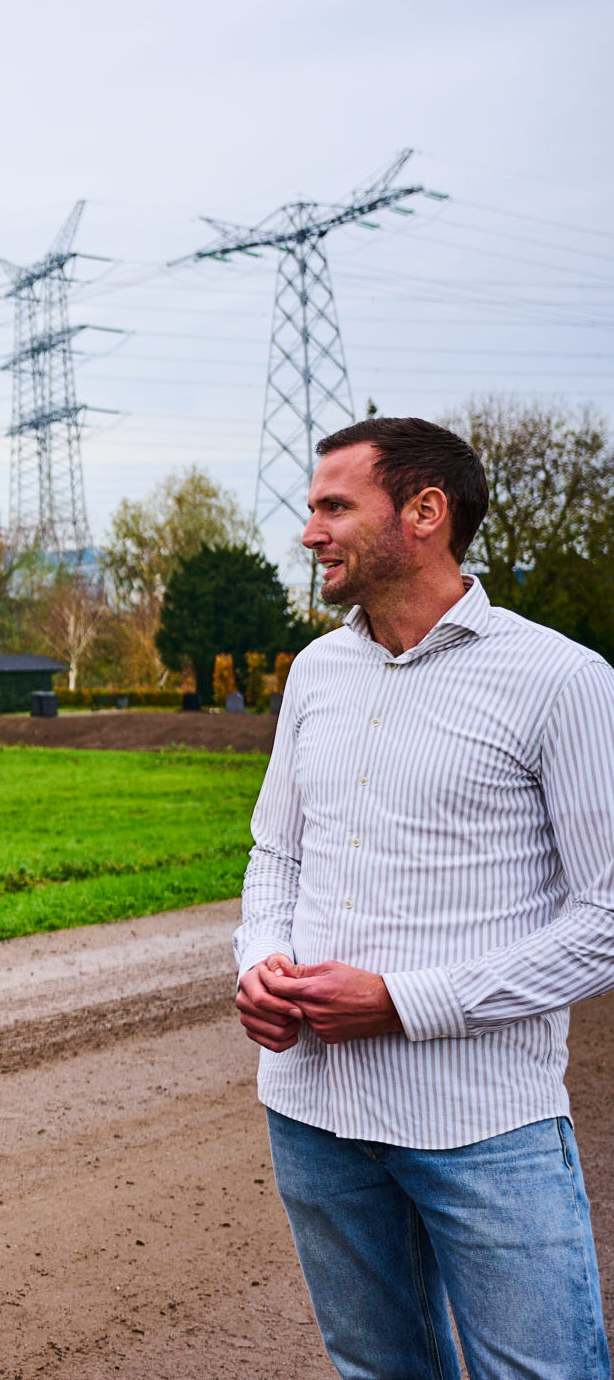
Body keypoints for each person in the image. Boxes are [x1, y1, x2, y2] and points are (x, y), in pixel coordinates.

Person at [234, 416, 614, 1378]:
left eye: (333, 506)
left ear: (425, 513)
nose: (310, 530)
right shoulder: (317, 672)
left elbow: (605, 923)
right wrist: (259, 965)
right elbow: (277, 853)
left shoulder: (562, 681)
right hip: (312, 1114)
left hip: (483, 1128)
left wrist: (403, 1004)